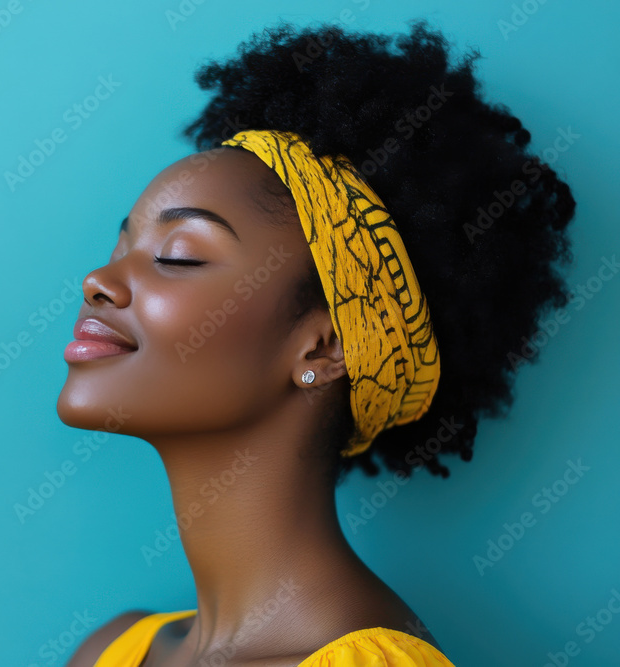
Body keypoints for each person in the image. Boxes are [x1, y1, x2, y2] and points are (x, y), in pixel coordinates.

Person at [56, 18, 575, 667]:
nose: (99, 281)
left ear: (324, 348)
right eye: (122, 244)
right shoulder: (110, 650)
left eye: (180, 255)